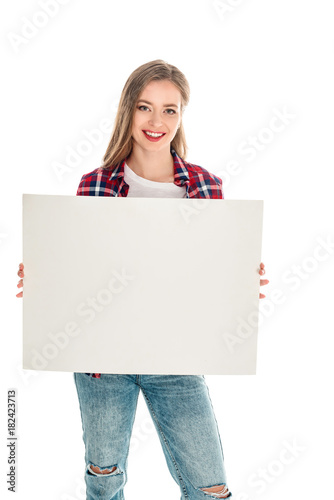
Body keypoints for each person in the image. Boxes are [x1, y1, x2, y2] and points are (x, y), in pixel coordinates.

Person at [16, 59, 269, 500]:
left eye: (170, 110)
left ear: (181, 116)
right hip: (102, 361)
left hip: (175, 357)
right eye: (144, 107)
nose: (156, 122)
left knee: (210, 486)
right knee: (105, 475)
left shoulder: (205, 186)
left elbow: (208, 275)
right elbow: (80, 269)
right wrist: (45, 275)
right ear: (127, 111)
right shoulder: (95, 184)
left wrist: (241, 278)